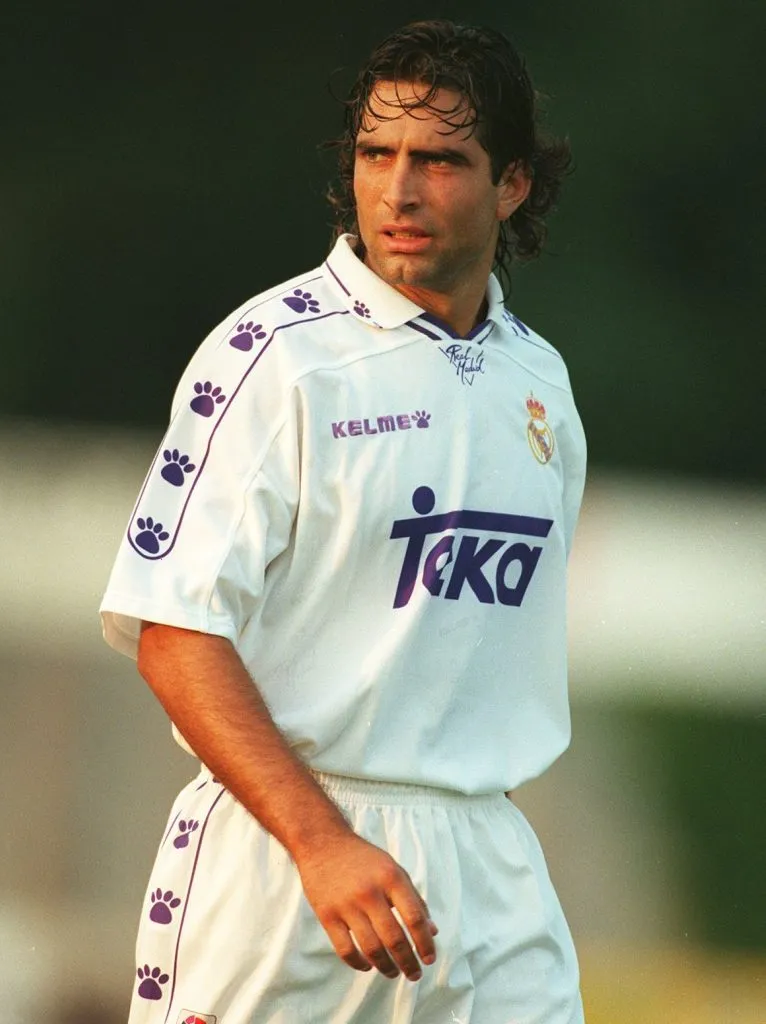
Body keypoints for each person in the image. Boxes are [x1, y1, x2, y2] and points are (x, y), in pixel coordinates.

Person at [100, 18, 586, 1024]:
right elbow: (172, 627)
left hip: (486, 870)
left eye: (440, 160)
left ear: (512, 186)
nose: (398, 192)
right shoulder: (273, 359)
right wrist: (320, 841)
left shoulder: (537, 382)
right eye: (377, 154)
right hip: (285, 863)